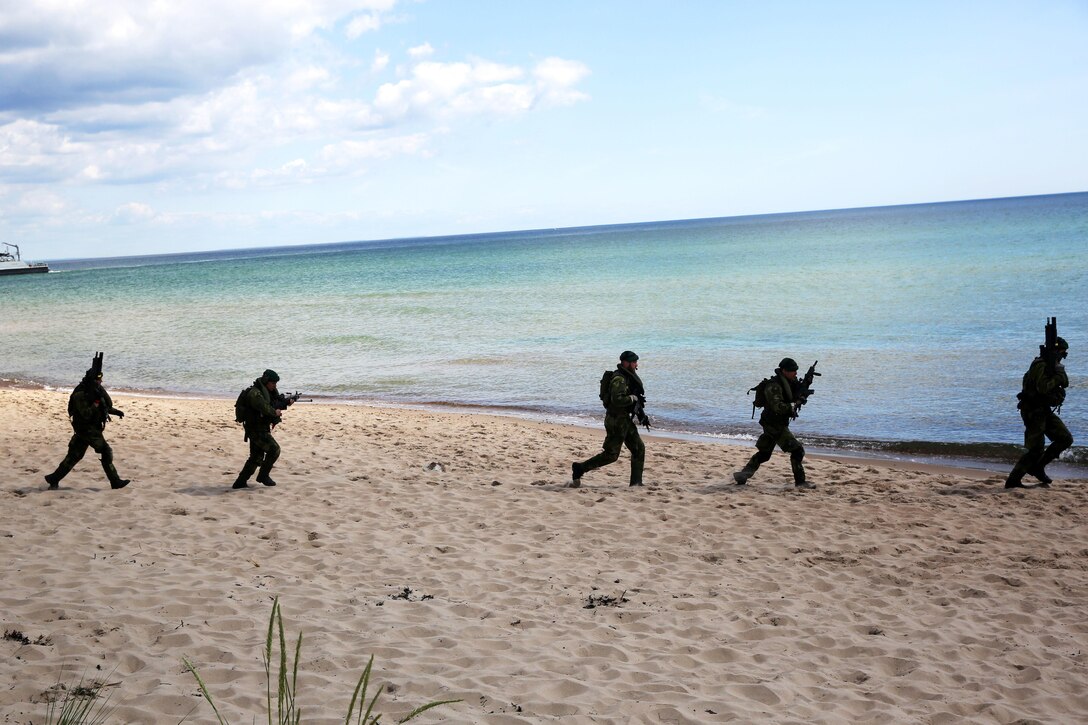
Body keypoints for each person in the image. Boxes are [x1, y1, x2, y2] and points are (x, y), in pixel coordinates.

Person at [732, 357, 814, 489]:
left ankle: (742, 475)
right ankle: (800, 482)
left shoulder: (787, 382)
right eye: (793, 371)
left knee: (764, 454)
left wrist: (806, 385)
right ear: (784, 370)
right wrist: (793, 405)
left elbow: (795, 393)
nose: (795, 374)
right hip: (774, 424)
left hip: (775, 423)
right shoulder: (773, 386)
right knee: (798, 451)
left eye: (796, 371)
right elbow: (778, 406)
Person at [44, 367, 130, 490]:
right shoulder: (80, 393)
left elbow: (103, 406)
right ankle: (115, 482)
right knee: (105, 451)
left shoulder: (94, 390)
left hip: (86, 430)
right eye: (98, 379)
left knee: (74, 456)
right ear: (92, 379)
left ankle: (54, 478)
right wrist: (95, 404)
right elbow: (86, 413)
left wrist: (116, 412)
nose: (101, 382)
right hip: (87, 429)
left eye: (101, 379)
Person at [571, 350, 648, 488]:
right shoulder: (619, 379)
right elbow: (617, 400)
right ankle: (580, 468)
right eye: (634, 362)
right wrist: (632, 398)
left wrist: (641, 413)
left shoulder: (627, 376)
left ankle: (636, 483)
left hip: (624, 420)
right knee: (611, 455)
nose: (636, 364)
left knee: (639, 449)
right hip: (616, 421)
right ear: (626, 363)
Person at [1006, 336, 1073, 489]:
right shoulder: (1040, 365)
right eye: (1062, 353)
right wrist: (1058, 376)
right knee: (1035, 449)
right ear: (1055, 351)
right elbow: (1043, 387)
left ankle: (1038, 467)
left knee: (1065, 438)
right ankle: (1013, 481)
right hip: (1033, 411)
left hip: (1043, 410)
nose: (1063, 357)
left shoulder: (1052, 365)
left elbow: (1065, 383)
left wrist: (1059, 372)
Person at [233, 369, 283, 489]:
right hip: (256, 429)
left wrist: (284, 403)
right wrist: (275, 412)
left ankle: (240, 482)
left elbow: (272, 404)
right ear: (266, 381)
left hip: (259, 428)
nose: (275, 386)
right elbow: (265, 408)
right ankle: (263, 476)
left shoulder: (265, 392)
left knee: (256, 457)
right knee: (274, 450)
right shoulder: (255, 394)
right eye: (273, 383)